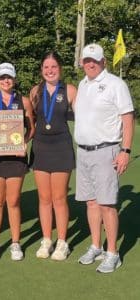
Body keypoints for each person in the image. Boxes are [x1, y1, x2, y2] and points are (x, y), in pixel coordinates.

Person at [74, 43, 134, 273]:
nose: (90, 64)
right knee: (91, 202)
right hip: (84, 151)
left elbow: (128, 119)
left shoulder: (115, 84)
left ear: (103, 62)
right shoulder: (82, 84)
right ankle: (96, 246)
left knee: (107, 204)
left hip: (106, 150)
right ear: (82, 62)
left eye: (95, 60)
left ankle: (113, 253)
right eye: (87, 60)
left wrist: (125, 151)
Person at [0, 63, 35, 261]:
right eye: (2, 77)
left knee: (13, 202)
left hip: (16, 158)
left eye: (9, 77)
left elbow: (31, 128)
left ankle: (15, 243)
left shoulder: (24, 101)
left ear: (14, 79)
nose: (6, 81)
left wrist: (25, 143)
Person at [29, 52, 77, 261]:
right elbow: (28, 119)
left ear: (60, 69)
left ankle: (62, 242)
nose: (50, 71)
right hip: (40, 147)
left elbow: (85, 115)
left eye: (54, 67)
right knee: (44, 198)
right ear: (42, 70)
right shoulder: (35, 91)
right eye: (46, 67)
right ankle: (47, 239)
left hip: (61, 147)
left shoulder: (70, 90)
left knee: (59, 198)